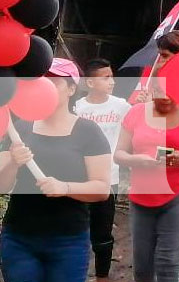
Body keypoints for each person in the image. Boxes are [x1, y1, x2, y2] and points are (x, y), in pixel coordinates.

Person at [0, 58, 112, 282]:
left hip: (68, 242)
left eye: (55, 81)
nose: (45, 85)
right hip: (19, 237)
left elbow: (102, 189)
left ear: (72, 89)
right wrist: (13, 161)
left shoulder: (88, 132)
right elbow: (2, 185)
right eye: (42, 79)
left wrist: (65, 187)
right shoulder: (18, 130)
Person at [114, 31, 179, 282]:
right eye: (159, 57)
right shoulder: (137, 112)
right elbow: (119, 154)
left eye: (165, 56)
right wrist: (136, 160)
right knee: (142, 266)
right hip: (141, 194)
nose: (160, 63)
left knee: (167, 261)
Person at [74, 58, 132, 282]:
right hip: (79, 177)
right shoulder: (78, 107)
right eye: (105, 77)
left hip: (109, 177)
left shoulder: (121, 106)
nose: (112, 81)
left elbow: (137, 124)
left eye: (112, 76)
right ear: (89, 82)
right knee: (77, 227)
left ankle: (102, 276)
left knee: (103, 231)